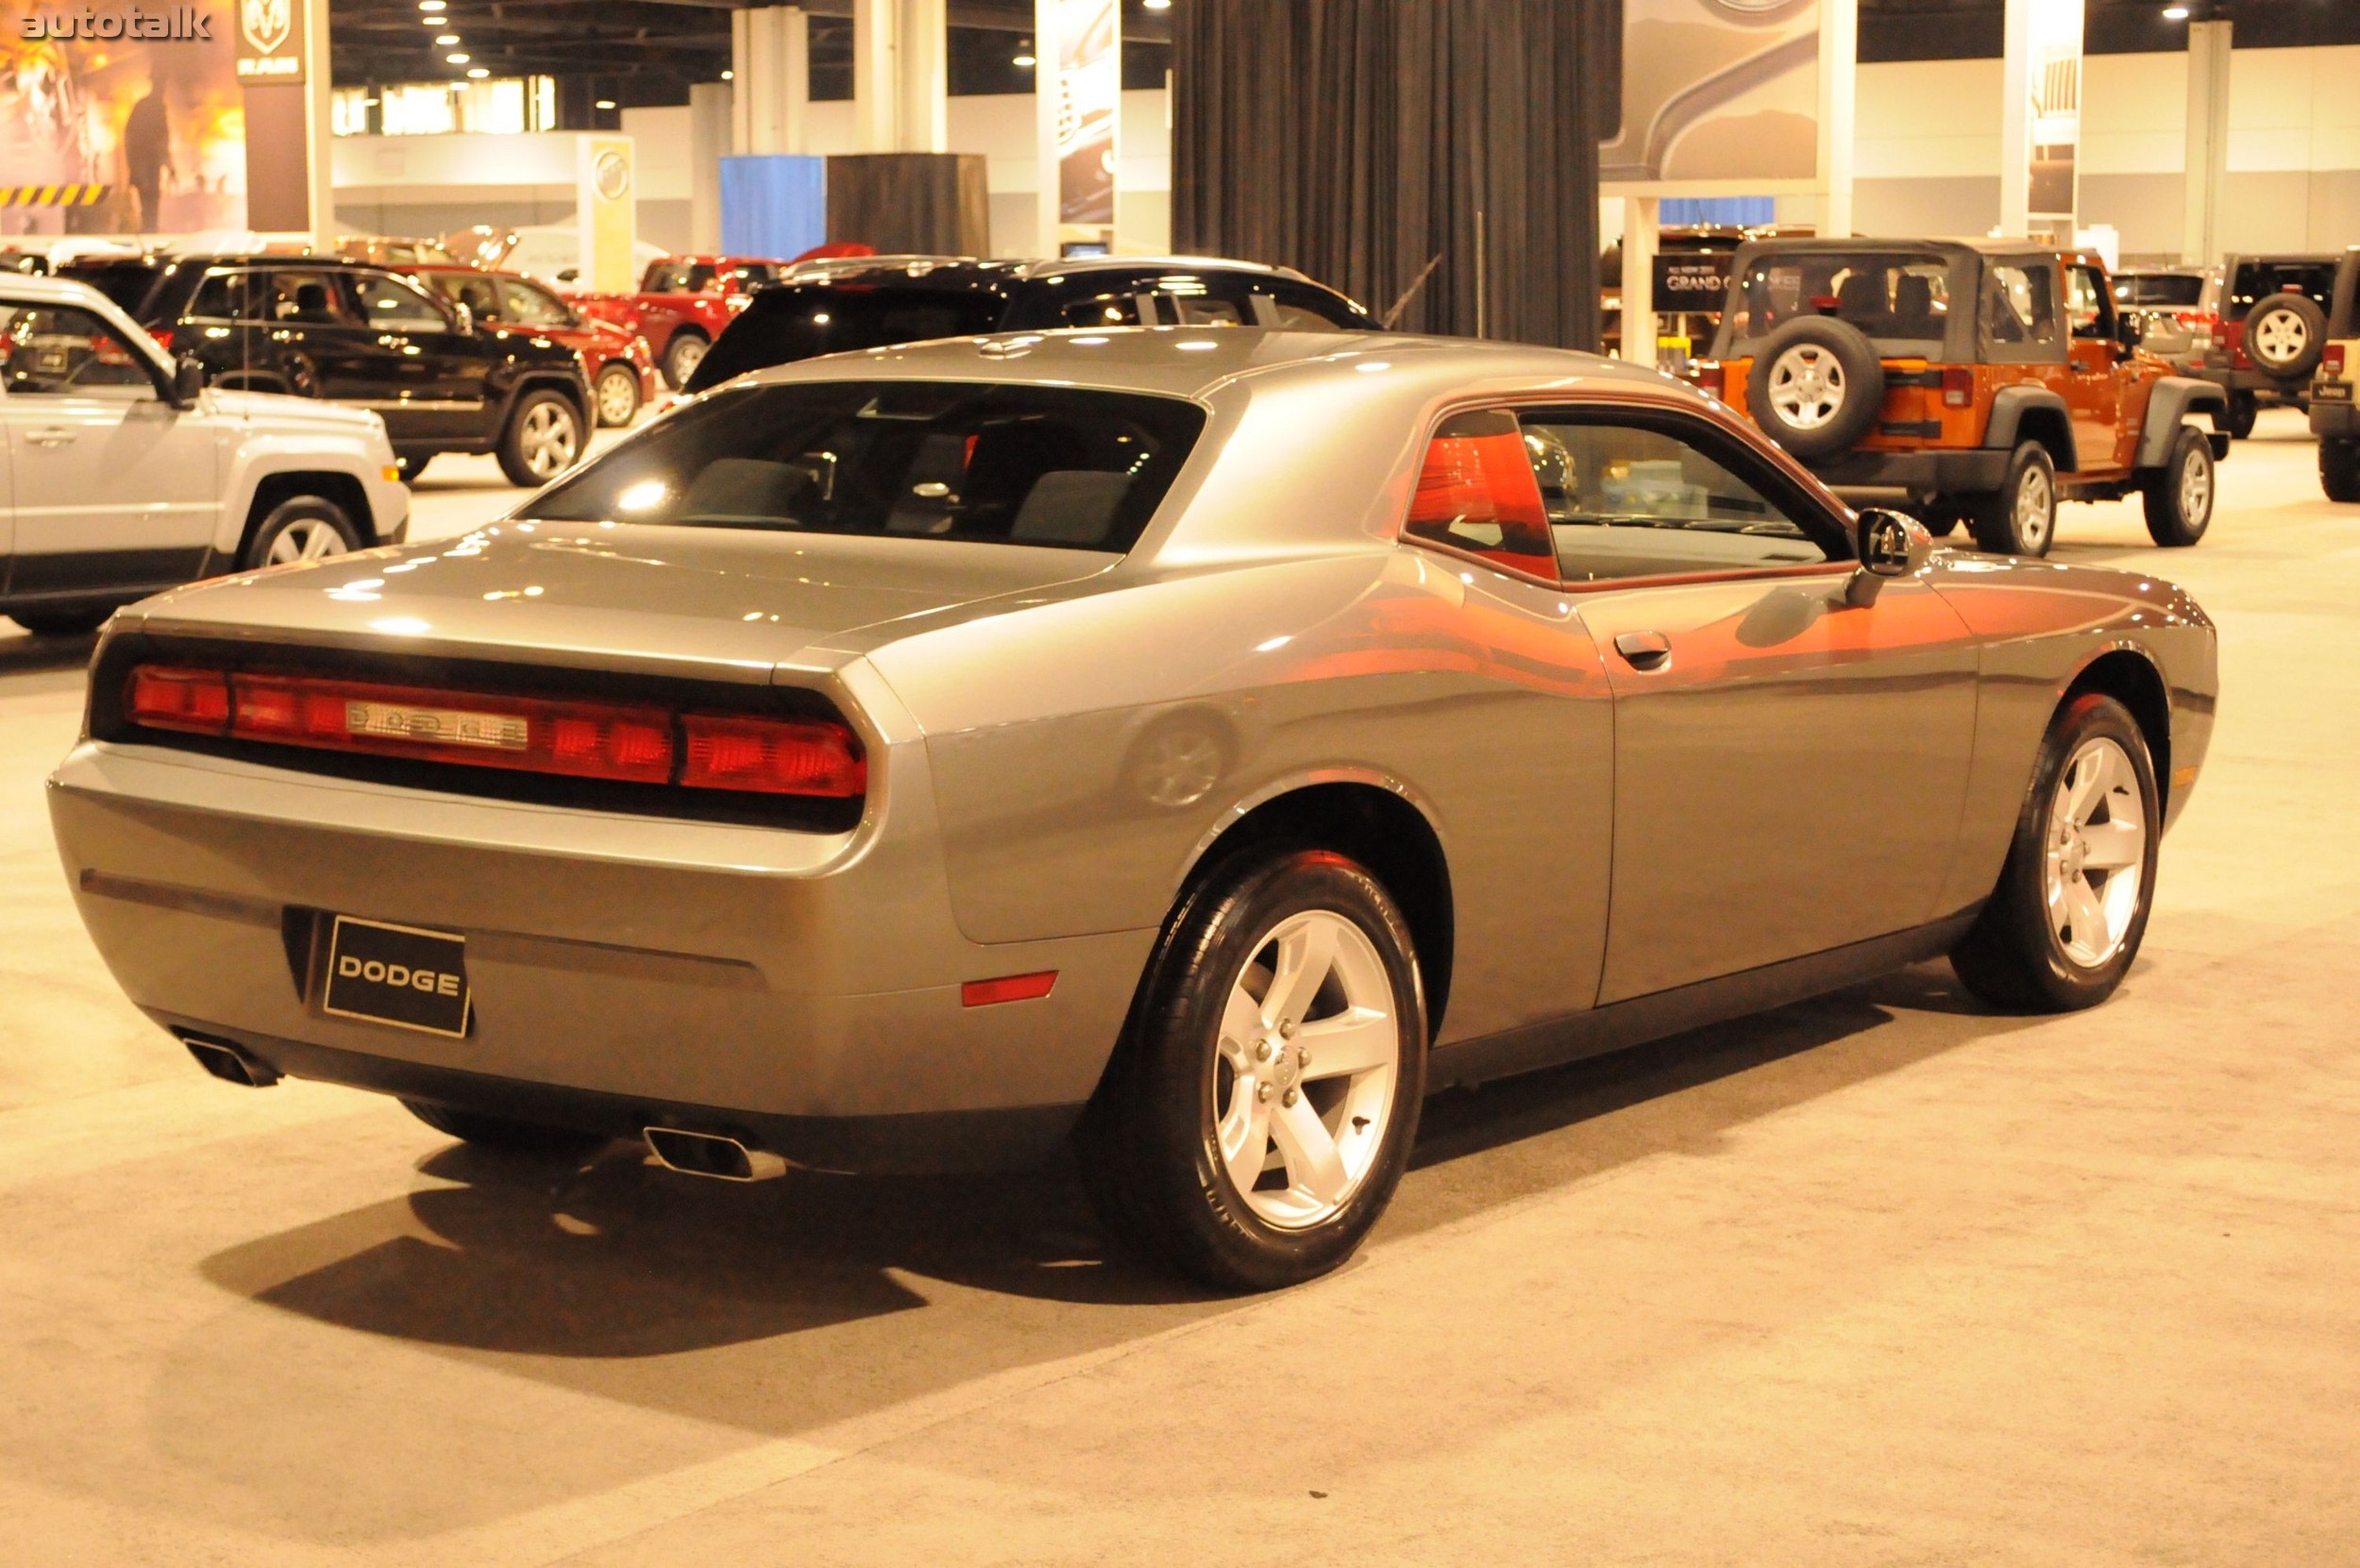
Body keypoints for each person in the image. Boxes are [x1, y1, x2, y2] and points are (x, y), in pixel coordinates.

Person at [123, 81, 172, 234]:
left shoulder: (156, 107)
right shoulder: (146, 107)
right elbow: (131, 135)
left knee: (152, 192)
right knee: (147, 191)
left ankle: (150, 225)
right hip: (143, 159)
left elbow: (163, 139)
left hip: (150, 160)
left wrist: (168, 163)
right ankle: (148, 225)